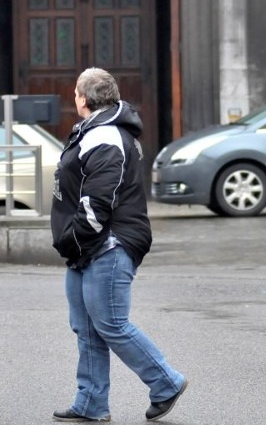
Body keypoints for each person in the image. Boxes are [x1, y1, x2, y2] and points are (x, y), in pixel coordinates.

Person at [51, 68, 187, 423]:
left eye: (76, 92)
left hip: (106, 243)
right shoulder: (97, 130)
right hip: (89, 245)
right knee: (86, 326)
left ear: (81, 97)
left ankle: (166, 382)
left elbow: (99, 201)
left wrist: (73, 237)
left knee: (111, 323)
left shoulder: (105, 136)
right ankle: (91, 402)